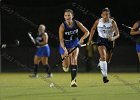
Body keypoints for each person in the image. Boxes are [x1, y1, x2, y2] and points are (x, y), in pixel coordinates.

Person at [88, 8, 119, 83]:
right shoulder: (98, 21)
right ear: (101, 15)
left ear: (109, 15)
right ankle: (105, 76)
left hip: (110, 42)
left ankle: (100, 61)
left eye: (107, 14)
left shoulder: (112, 22)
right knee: (103, 57)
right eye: (104, 15)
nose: (105, 16)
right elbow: (92, 29)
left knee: (107, 61)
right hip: (101, 40)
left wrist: (113, 37)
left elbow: (118, 34)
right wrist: (89, 40)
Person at [59, 9, 89, 87]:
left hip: (75, 43)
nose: (67, 17)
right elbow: (61, 40)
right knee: (66, 66)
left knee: (74, 59)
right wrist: (65, 49)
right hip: (65, 44)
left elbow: (87, 32)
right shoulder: (62, 26)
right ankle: (65, 66)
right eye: (65, 15)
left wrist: (82, 39)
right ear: (64, 17)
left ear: (72, 16)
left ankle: (73, 81)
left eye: (69, 15)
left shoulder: (77, 23)